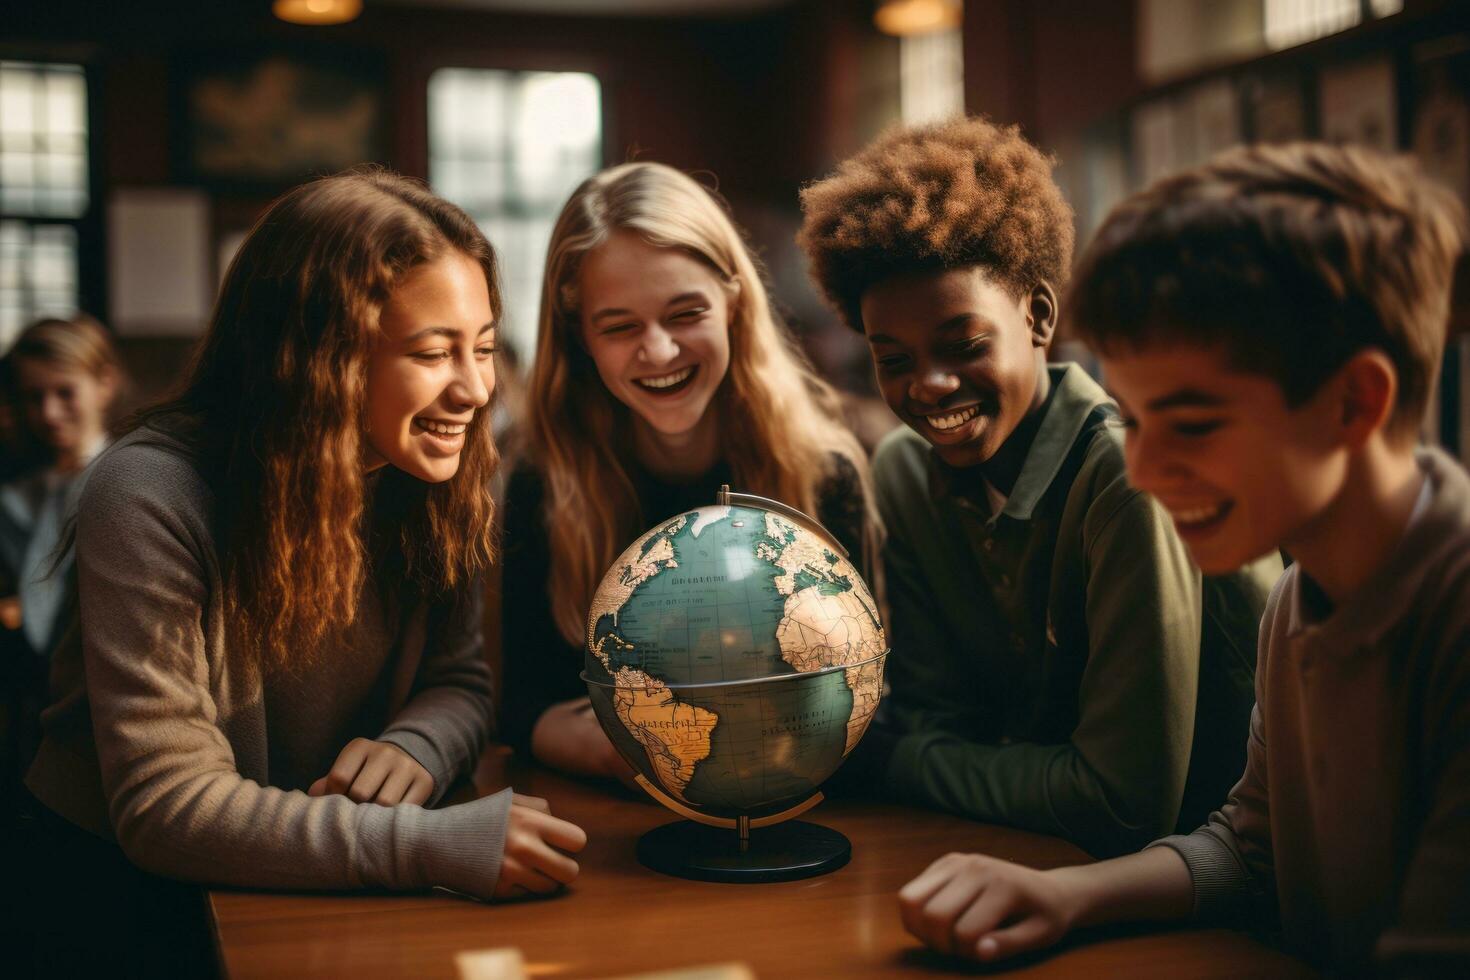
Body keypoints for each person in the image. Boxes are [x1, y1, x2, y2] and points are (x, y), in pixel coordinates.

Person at [895, 143, 1469, 976]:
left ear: (1355, 401)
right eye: (1130, 417)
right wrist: (1065, 894)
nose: (1143, 470)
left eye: (1191, 424)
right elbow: (1249, 847)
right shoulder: (1304, 597)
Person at [16, 170, 586, 971]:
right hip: (117, 904)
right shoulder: (148, 492)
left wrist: (419, 746)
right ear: (322, 359)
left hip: (315, 877)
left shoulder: (440, 466)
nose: (476, 389)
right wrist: (424, 843)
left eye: (484, 347)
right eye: (433, 352)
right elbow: (164, 806)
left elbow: (462, 680)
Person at [796, 116, 1282, 858]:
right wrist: (934, 754)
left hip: (1201, 891)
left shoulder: (1129, 477)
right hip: (1008, 852)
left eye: (964, 346)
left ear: (1040, 316)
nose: (929, 385)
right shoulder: (900, 470)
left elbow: (1124, 803)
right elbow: (938, 721)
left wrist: (893, 761)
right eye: (891, 359)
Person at [499, 161, 880, 780]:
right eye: (619, 326)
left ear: (733, 301)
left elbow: (873, 690)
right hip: (608, 824)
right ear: (579, 335)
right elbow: (517, 701)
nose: (659, 351)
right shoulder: (543, 483)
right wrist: (559, 738)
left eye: (684, 314)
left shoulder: (823, 469)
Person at [0, 315, 123, 824]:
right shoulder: (17, 496)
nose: (49, 413)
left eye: (64, 392)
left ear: (104, 385)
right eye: (33, 397)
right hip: (31, 707)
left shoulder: (129, 481)